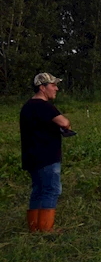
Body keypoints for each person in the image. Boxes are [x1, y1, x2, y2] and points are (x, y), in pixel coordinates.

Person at [20, 73, 73, 233]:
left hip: (31, 156)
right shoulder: (44, 106)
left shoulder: (27, 106)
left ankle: (34, 227)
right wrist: (66, 128)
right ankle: (46, 229)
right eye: (53, 85)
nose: (56, 88)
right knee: (51, 189)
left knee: (38, 189)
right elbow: (64, 122)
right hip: (47, 156)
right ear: (42, 88)